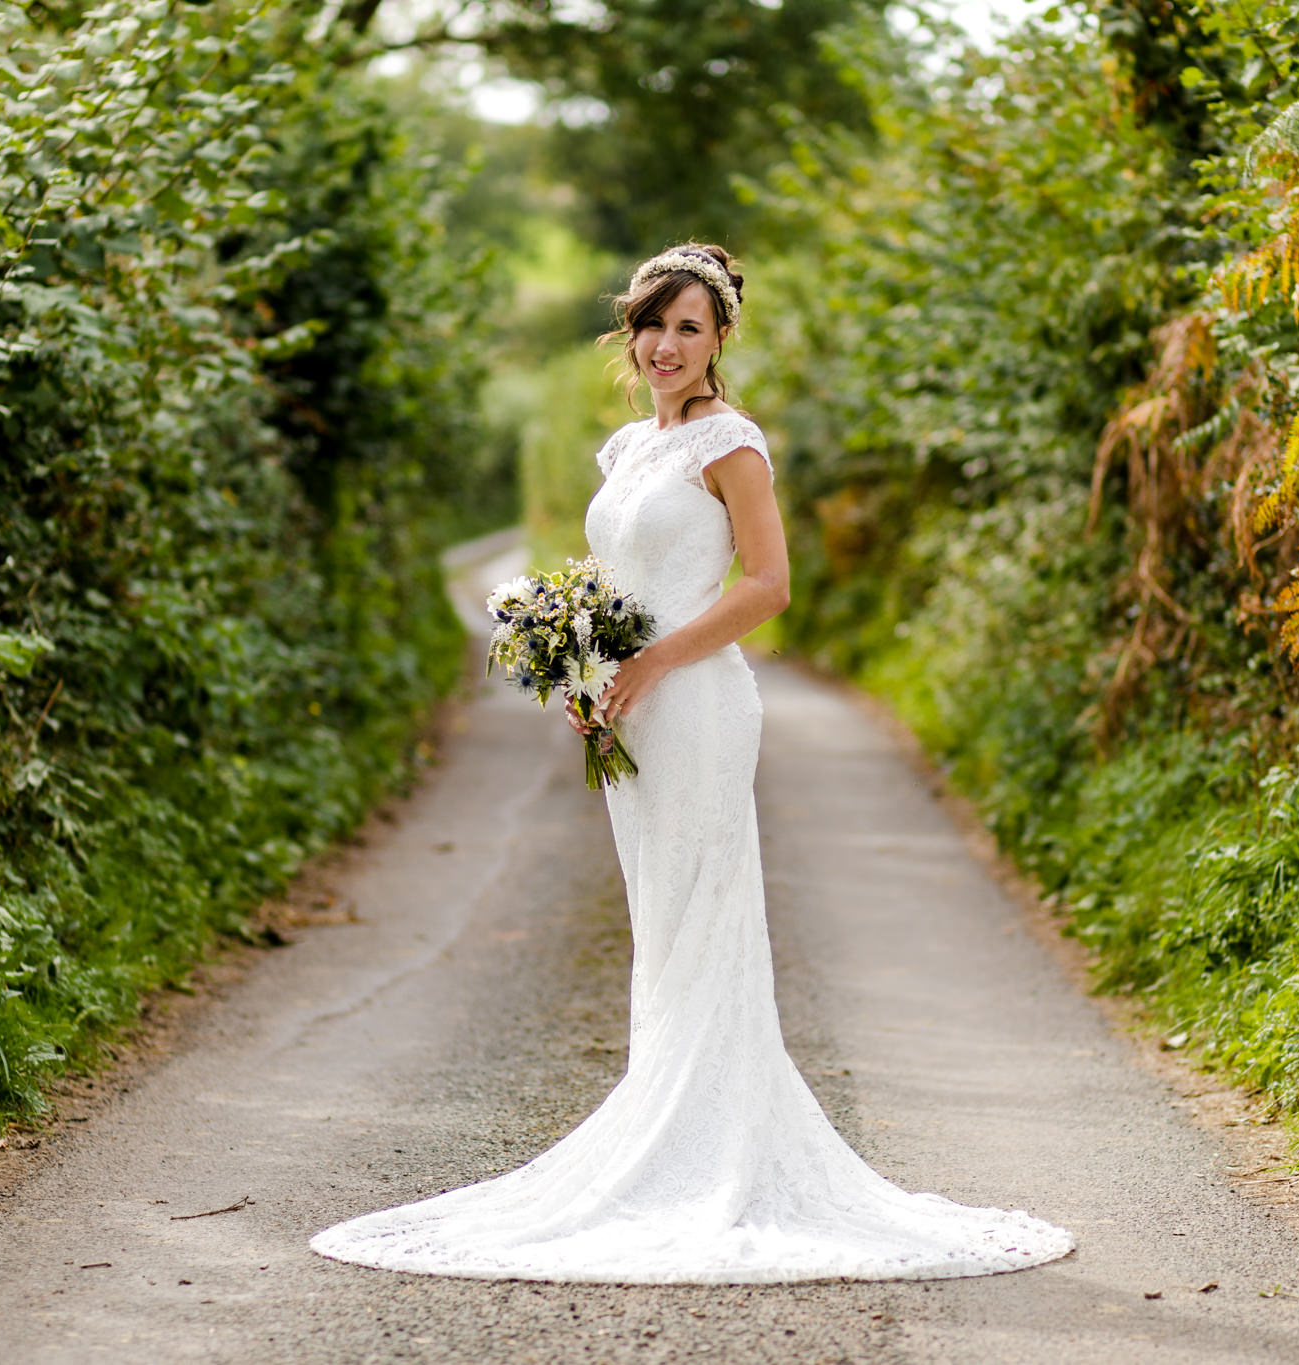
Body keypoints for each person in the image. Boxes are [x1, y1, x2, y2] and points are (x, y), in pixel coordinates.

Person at [308, 244, 1073, 1283]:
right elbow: (612, 578)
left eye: (687, 328)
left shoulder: (730, 444)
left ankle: (711, 1144)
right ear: (629, 333)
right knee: (660, 922)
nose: (664, 346)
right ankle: (664, 1118)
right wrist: (585, 675)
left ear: (717, 341)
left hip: (701, 704)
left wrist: (657, 661)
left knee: (704, 909)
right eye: (651, 325)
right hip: (628, 712)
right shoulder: (626, 445)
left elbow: (767, 586)